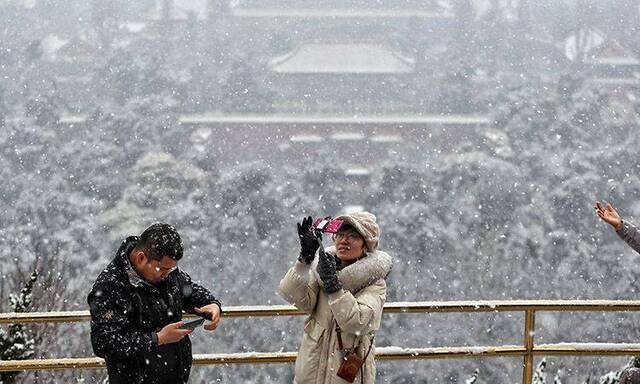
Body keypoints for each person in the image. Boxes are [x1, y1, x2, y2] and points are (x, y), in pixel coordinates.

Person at [87, 223, 222, 384]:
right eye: (163, 269)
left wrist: (212, 304)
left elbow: (188, 289)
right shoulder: (109, 287)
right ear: (141, 258)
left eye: (171, 270)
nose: (167, 275)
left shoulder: (166, 271)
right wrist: (157, 338)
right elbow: (105, 343)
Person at [279, 212, 392, 384]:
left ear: (365, 245)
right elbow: (296, 297)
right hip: (310, 374)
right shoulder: (323, 269)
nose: (343, 241)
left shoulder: (375, 282)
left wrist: (334, 288)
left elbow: (357, 322)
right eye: (339, 235)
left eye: (352, 236)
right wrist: (305, 259)